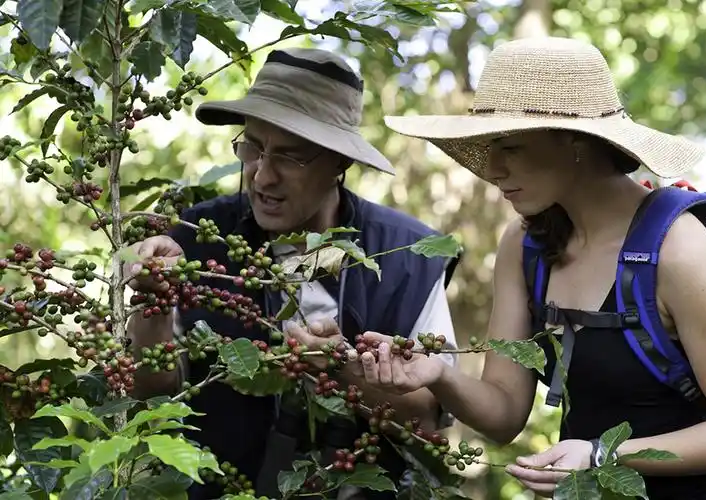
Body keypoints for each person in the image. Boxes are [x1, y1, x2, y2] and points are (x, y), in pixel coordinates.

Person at [352, 37, 706, 499]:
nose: (492, 168)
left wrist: (601, 456)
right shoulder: (526, 245)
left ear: (576, 141)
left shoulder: (677, 249)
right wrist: (438, 374)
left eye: (509, 146)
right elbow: (503, 414)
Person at [124, 47, 461, 500]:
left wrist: (344, 369)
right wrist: (153, 301)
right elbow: (151, 391)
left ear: (339, 162)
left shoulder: (407, 257)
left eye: (291, 157)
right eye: (252, 149)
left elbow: (425, 420)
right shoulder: (200, 239)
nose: (262, 177)